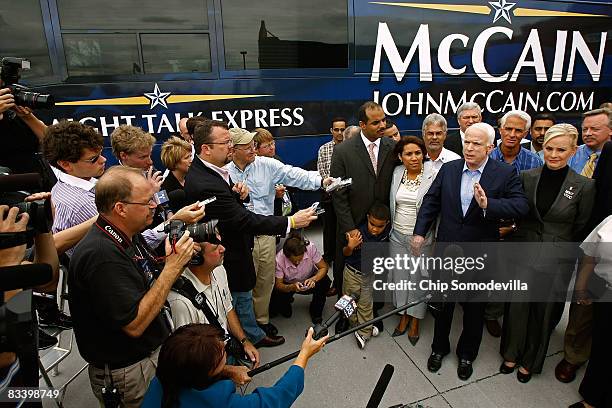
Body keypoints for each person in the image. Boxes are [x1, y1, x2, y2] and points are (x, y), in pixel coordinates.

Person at [68, 166, 198, 407]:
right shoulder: (102, 255)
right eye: (147, 201)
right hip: (129, 372)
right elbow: (135, 324)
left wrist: (171, 259)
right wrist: (172, 267)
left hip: (146, 358)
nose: (154, 206)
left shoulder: (126, 233)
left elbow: (147, 273)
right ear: (120, 208)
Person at [183, 119, 317, 348]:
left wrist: (237, 197)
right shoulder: (208, 179)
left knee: (257, 284)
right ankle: (248, 335)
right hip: (233, 247)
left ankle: (256, 326)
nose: (231, 148)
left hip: (246, 241)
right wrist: (292, 221)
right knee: (240, 293)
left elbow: (292, 175)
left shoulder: (210, 172)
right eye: (226, 143)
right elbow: (240, 219)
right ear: (206, 148)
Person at [413, 122, 529, 381]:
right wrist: (420, 232)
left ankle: (467, 355)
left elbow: (520, 206)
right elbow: (432, 201)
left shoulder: (504, 173)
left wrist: (490, 205)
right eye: (467, 142)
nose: (469, 148)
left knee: (474, 309)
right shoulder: (450, 169)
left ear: (490, 147)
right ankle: (439, 349)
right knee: (444, 304)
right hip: (448, 250)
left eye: (476, 144)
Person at [499, 124, 595, 383]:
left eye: (561, 149)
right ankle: (510, 353)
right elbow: (519, 214)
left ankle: (530, 361)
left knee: (542, 314)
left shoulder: (584, 186)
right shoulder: (527, 177)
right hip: (524, 251)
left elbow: (581, 227)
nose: (553, 154)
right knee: (517, 307)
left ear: (573, 151)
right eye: (550, 148)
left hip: (556, 259)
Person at [226, 127, 329, 339]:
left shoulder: (267, 165)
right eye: (247, 146)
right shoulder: (224, 172)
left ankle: (261, 322)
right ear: (233, 150)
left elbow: (294, 174)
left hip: (265, 235)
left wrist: (321, 181)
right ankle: (243, 326)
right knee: (242, 284)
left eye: (254, 144)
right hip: (239, 238)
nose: (253, 149)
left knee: (265, 280)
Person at [142, 324, 328, 408]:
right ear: (206, 373)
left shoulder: (163, 380)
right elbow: (275, 400)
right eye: (221, 353)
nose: (225, 346)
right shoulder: (219, 403)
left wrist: (227, 371)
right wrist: (304, 355)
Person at [556, 107, 612, 383]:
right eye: (586, 128)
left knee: (584, 298)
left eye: (596, 128)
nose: (588, 133)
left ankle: (573, 355)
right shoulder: (575, 153)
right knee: (555, 290)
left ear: (610, 131)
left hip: (599, 239)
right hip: (566, 236)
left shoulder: (609, 160)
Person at [330, 101, 396, 334]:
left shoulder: (391, 146)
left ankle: (370, 312)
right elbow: (338, 194)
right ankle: (344, 315)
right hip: (353, 223)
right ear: (362, 125)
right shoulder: (343, 151)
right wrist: (349, 228)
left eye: (384, 120)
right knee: (346, 273)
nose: (382, 125)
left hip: (380, 225)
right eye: (376, 122)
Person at [167, 238, 260, 383]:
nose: (223, 248)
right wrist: (228, 370)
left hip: (222, 353)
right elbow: (188, 360)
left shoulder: (219, 270)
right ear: (196, 258)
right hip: (205, 371)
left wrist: (244, 341)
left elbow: (228, 310)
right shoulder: (180, 303)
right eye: (216, 247)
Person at [485, 110, 543, 336]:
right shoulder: (486, 156)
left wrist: (515, 227)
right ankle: (481, 310)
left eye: (518, 130)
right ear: (500, 130)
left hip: (517, 229)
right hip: (486, 225)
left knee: (504, 275)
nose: (512, 134)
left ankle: (494, 314)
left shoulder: (534, 162)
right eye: (507, 128)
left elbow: (534, 202)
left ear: (526, 133)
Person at [388, 137, 437, 345]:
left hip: (421, 238)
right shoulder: (397, 172)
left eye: (418, 153)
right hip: (397, 235)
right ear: (400, 157)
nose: (414, 157)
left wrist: (425, 235)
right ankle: (403, 315)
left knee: (417, 280)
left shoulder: (433, 174)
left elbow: (435, 208)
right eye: (408, 154)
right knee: (400, 278)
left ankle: (415, 320)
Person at [569, 215, 612, 408]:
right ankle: (591, 400)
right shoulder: (610, 221)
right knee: (602, 347)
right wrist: (581, 286)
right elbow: (590, 252)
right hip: (607, 293)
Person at [343, 203, 390, 349]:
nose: (375, 229)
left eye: (380, 226)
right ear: (368, 218)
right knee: (349, 303)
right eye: (372, 224)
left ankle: (364, 332)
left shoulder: (386, 234)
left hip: (369, 276)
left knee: (366, 304)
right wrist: (351, 245)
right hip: (352, 274)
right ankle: (358, 326)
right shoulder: (358, 234)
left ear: (386, 224)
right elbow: (345, 253)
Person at [270, 232, 331, 323]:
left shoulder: (310, 248)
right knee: (275, 309)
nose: (298, 263)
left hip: (309, 278)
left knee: (324, 283)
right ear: (287, 256)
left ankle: (315, 310)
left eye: (300, 259)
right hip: (290, 283)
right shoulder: (279, 259)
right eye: (295, 261)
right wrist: (291, 287)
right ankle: (285, 304)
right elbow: (278, 285)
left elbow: (324, 267)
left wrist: (314, 279)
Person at [317, 117, 347, 296]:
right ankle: (328, 261)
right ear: (331, 131)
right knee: (329, 231)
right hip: (329, 197)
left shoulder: (351, 148)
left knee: (341, 234)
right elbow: (322, 174)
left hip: (345, 199)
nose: (339, 133)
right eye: (336, 129)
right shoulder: (324, 149)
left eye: (342, 129)